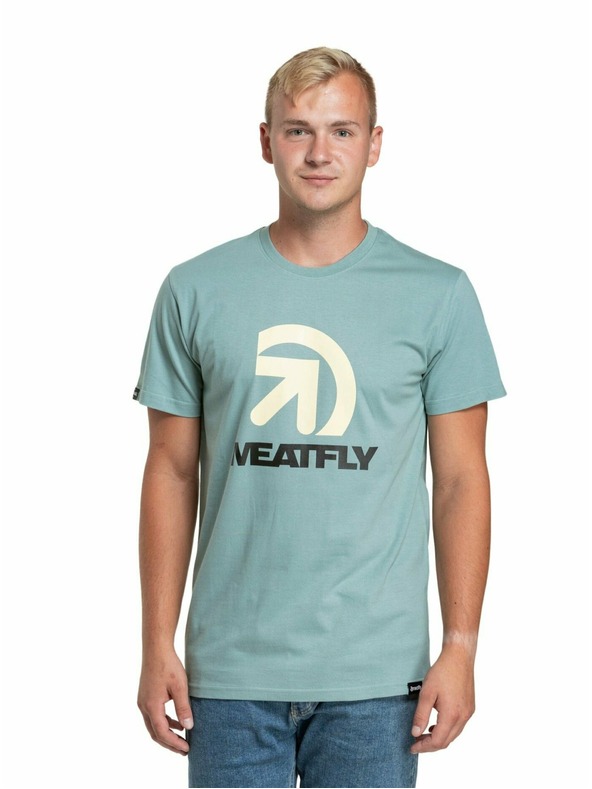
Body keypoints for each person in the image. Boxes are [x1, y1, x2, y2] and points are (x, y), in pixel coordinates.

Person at [134, 46, 506, 789]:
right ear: (265, 140)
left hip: (378, 680)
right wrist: (155, 643)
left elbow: (461, 480)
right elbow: (171, 470)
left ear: (375, 144)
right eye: (298, 129)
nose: (318, 153)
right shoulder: (194, 289)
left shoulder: (438, 294)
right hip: (228, 676)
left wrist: (461, 646)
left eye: (342, 131)